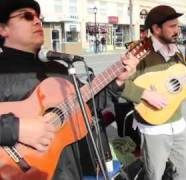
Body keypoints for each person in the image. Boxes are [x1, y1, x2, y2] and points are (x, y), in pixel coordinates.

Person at [0, 0, 138, 179]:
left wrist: (117, 82)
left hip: (71, 170)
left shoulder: (60, 68)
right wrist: (16, 128)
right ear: (3, 29)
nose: (37, 21)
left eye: (38, 17)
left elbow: (86, 104)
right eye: (27, 16)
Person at [120, 5, 186, 180]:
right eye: (172, 26)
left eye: (178, 26)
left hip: (178, 123)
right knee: (154, 174)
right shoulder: (139, 53)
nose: (178, 30)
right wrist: (145, 94)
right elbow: (120, 85)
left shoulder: (176, 53)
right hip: (154, 127)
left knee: (185, 172)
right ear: (156, 28)